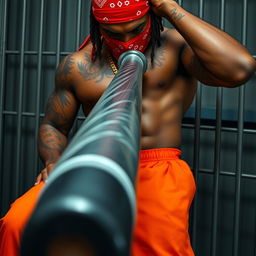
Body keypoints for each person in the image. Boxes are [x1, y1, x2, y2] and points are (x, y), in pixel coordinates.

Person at [1, 0, 255, 255]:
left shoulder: (176, 47)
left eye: (136, 30)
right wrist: (53, 162)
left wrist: (169, 7)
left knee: (159, 245)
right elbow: (54, 125)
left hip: (156, 165)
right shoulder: (78, 65)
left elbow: (239, 68)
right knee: (16, 224)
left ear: (151, 18)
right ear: (98, 25)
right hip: (94, 162)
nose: (126, 41)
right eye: (113, 33)